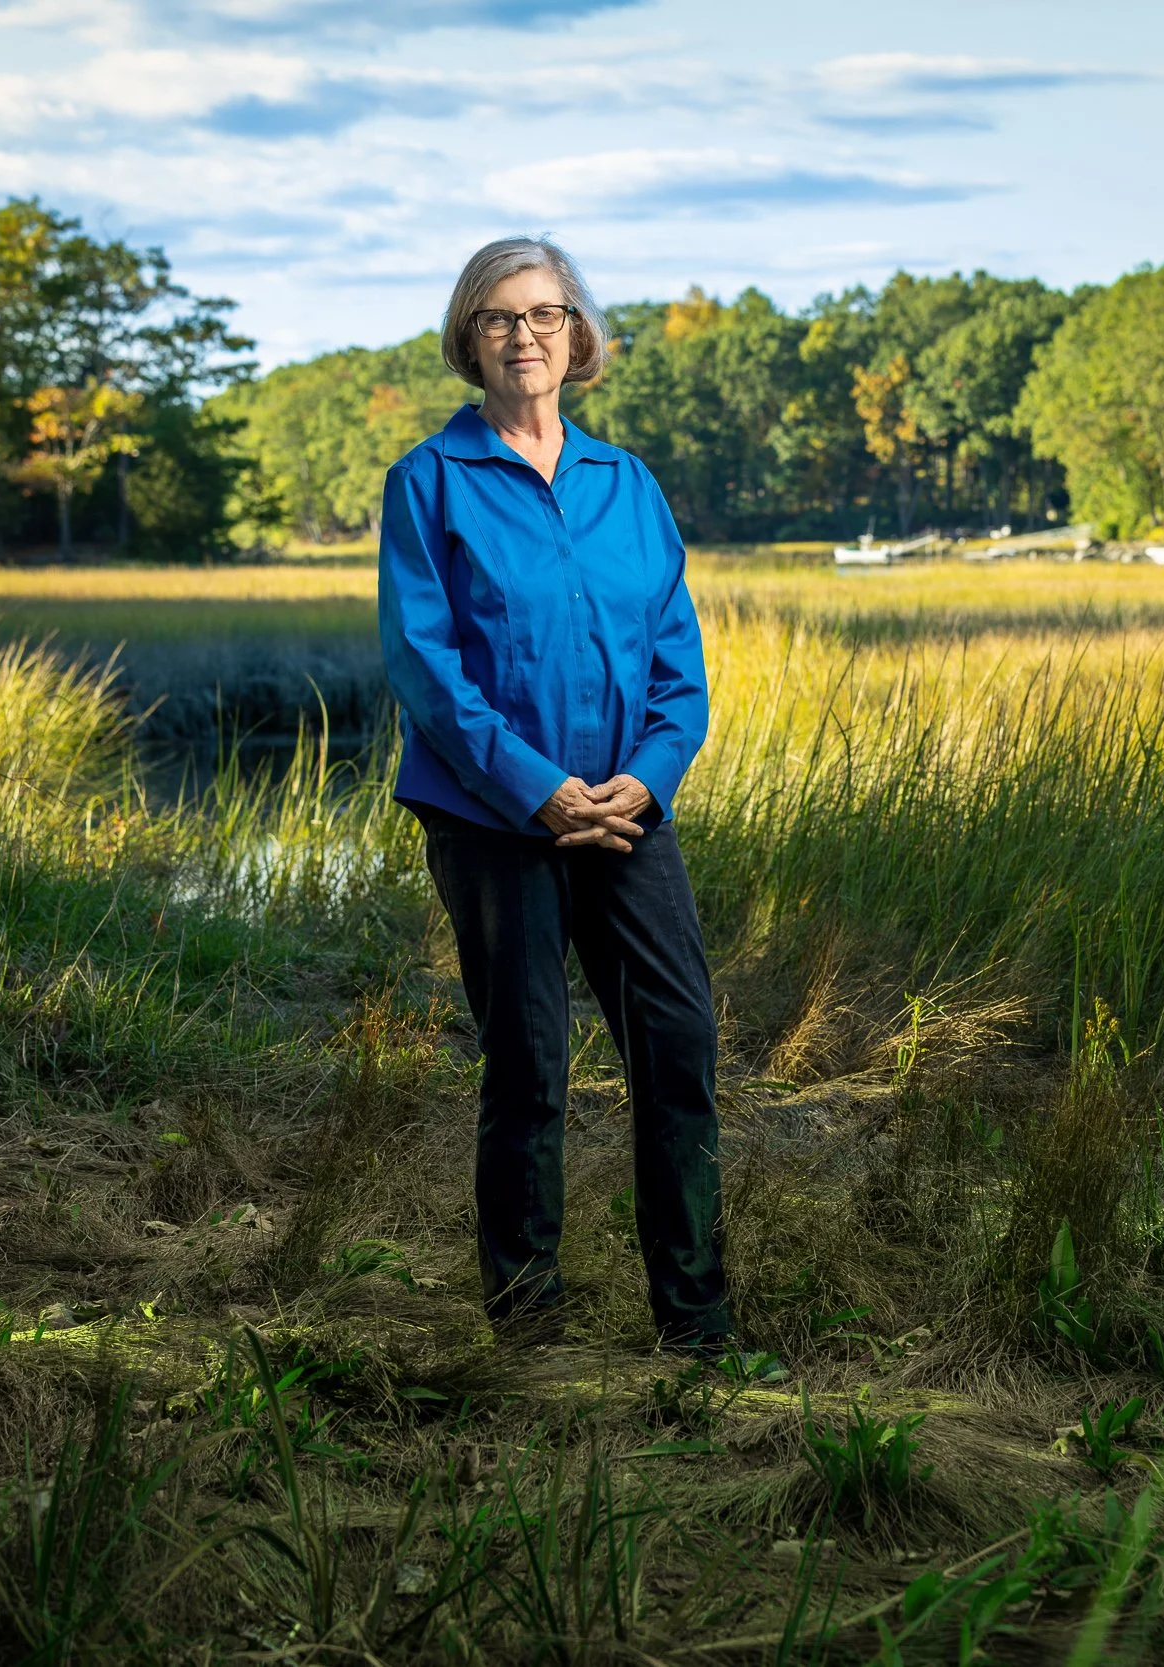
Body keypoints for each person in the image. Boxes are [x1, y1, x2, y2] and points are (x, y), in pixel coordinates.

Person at [378, 235, 731, 1354]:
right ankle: (530, 1331)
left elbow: (678, 665)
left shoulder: (627, 486)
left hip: (626, 817)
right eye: (498, 317)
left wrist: (648, 778)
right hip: (493, 821)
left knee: (678, 1042)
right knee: (529, 1065)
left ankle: (696, 1319)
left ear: (578, 335)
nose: (523, 335)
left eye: (544, 313)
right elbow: (428, 669)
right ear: (468, 341)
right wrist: (536, 790)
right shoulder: (429, 483)